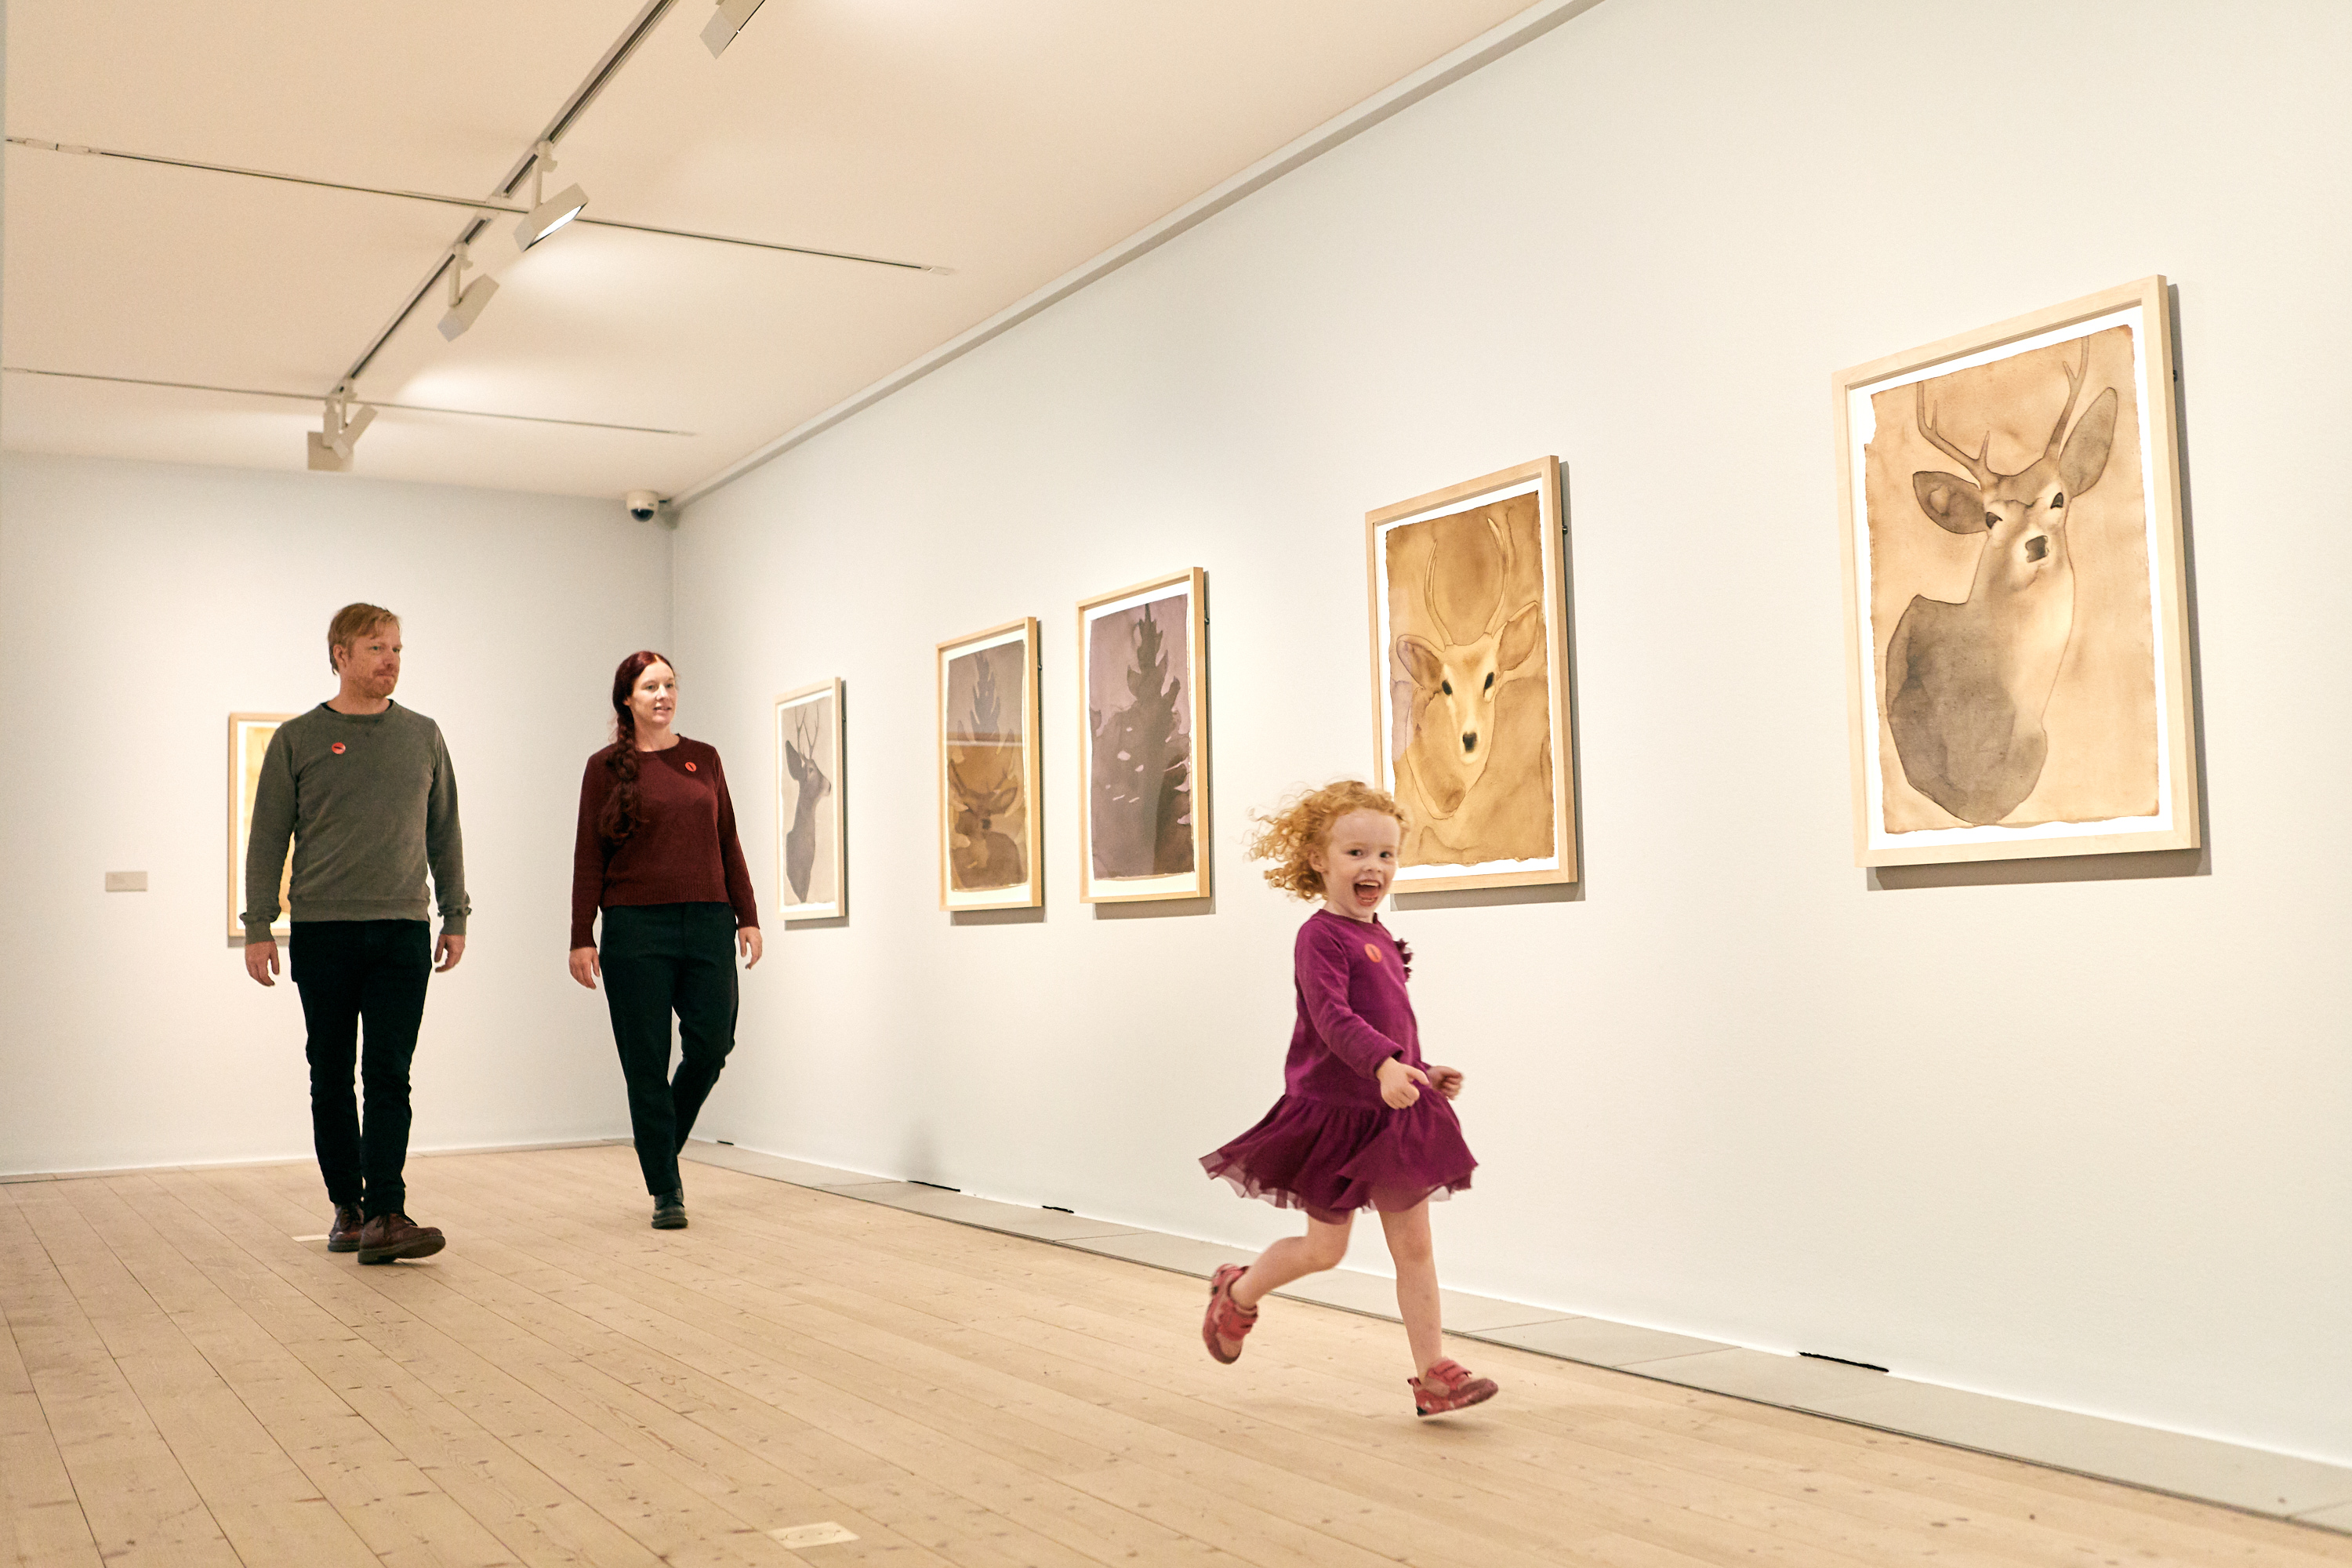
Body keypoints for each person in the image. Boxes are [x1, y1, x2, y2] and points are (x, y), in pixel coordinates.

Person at [1198, 780, 1496, 1416]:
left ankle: (1433, 1375)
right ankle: (1239, 1292)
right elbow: (1334, 1020)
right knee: (1323, 1251)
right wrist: (1385, 1063)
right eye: (1357, 853)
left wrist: (1417, 1068)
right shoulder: (1319, 938)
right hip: (1334, 1115)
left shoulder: (1382, 936)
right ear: (1317, 859)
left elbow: (1388, 1018)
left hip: (1391, 1112)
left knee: (1414, 1247)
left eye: (1386, 855)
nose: (1375, 868)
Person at [243, 603, 468, 1266]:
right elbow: (267, 841)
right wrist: (258, 926)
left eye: (398, 648)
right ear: (339, 654)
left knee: (390, 1074)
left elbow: (444, 832)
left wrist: (456, 914)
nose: (391, 660)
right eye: (376, 648)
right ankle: (349, 1207)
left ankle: (388, 1213)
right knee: (331, 1073)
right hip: (324, 930)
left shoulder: (423, 735)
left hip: (402, 929)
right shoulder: (299, 739)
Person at [569, 651, 761, 1229]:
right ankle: (666, 1188)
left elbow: (728, 840)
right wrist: (582, 935)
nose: (663, 695)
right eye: (650, 686)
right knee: (646, 1064)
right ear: (627, 698)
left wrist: (747, 915)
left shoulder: (704, 760)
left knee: (712, 1043)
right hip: (634, 929)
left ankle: (658, 1143)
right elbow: (588, 855)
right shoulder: (604, 768)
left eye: (670, 685)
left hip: (707, 921)